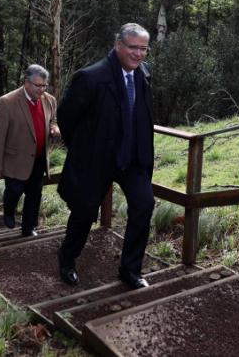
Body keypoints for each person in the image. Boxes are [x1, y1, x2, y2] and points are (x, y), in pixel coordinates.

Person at [56, 23, 155, 290]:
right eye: (133, 47)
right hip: (96, 160)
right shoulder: (91, 77)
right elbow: (66, 118)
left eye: (143, 48)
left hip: (132, 160)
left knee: (144, 205)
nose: (138, 54)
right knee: (84, 211)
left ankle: (130, 270)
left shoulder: (143, 74)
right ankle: (67, 259)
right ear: (118, 45)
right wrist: (84, 147)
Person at [0, 65, 59, 237]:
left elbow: (53, 120)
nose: (42, 90)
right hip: (15, 159)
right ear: (26, 82)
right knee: (14, 191)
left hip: (40, 158)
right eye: (38, 86)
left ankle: (28, 229)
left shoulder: (50, 100)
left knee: (34, 195)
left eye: (44, 85)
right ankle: (9, 210)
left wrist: (54, 128)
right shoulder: (7, 102)